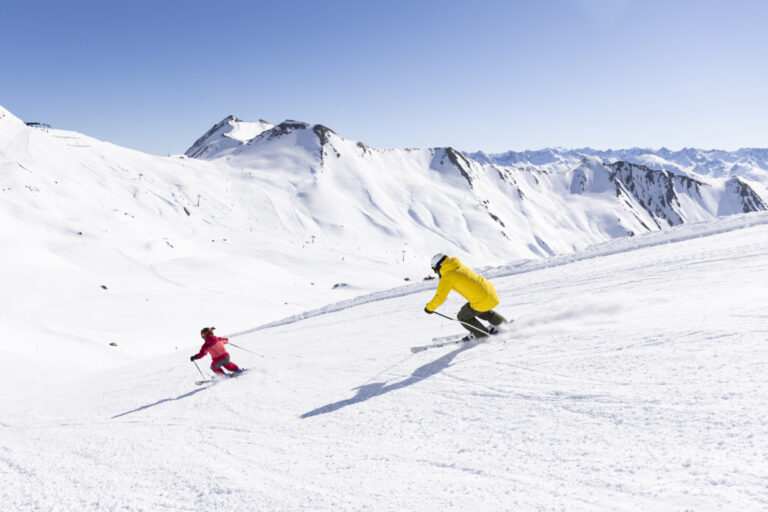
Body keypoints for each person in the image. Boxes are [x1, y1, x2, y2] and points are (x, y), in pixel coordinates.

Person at [424, 253, 508, 341]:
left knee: (462, 316)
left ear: (439, 265)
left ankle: (481, 334)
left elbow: (440, 297)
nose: (436, 272)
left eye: (434, 269)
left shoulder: (447, 276)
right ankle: (505, 325)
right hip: (491, 294)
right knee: (482, 311)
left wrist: (429, 308)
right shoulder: (459, 266)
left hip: (481, 299)